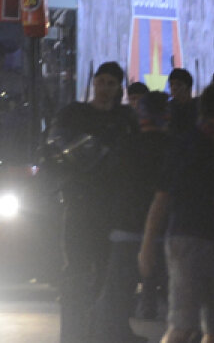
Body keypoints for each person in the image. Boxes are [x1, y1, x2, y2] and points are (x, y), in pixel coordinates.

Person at [139, 83, 214, 343]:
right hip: (188, 239)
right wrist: (147, 245)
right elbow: (162, 197)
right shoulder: (188, 145)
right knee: (183, 324)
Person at [48, 61, 137, 343]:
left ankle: (105, 332)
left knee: (108, 272)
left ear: (119, 87)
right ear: (94, 83)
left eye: (111, 83)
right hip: (79, 203)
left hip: (113, 207)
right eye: (101, 82)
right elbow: (54, 146)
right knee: (76, 271)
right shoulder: (73, 114)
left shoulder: (125, 119)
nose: (105, 88)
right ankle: (72, 335)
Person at [89, 89, 172, 342]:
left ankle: (115, 335)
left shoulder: (126, 144)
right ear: (166, 115)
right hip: (167, 230)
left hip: (127, 227)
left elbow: (108, 182)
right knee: (180, 297)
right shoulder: (174, 147)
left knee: (117, 294)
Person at [167, 67, 197, 135]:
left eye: (179, 84)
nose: (174, 88)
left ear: (188, 87)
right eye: (171, 84)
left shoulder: (198, 108)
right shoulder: (168, 109)